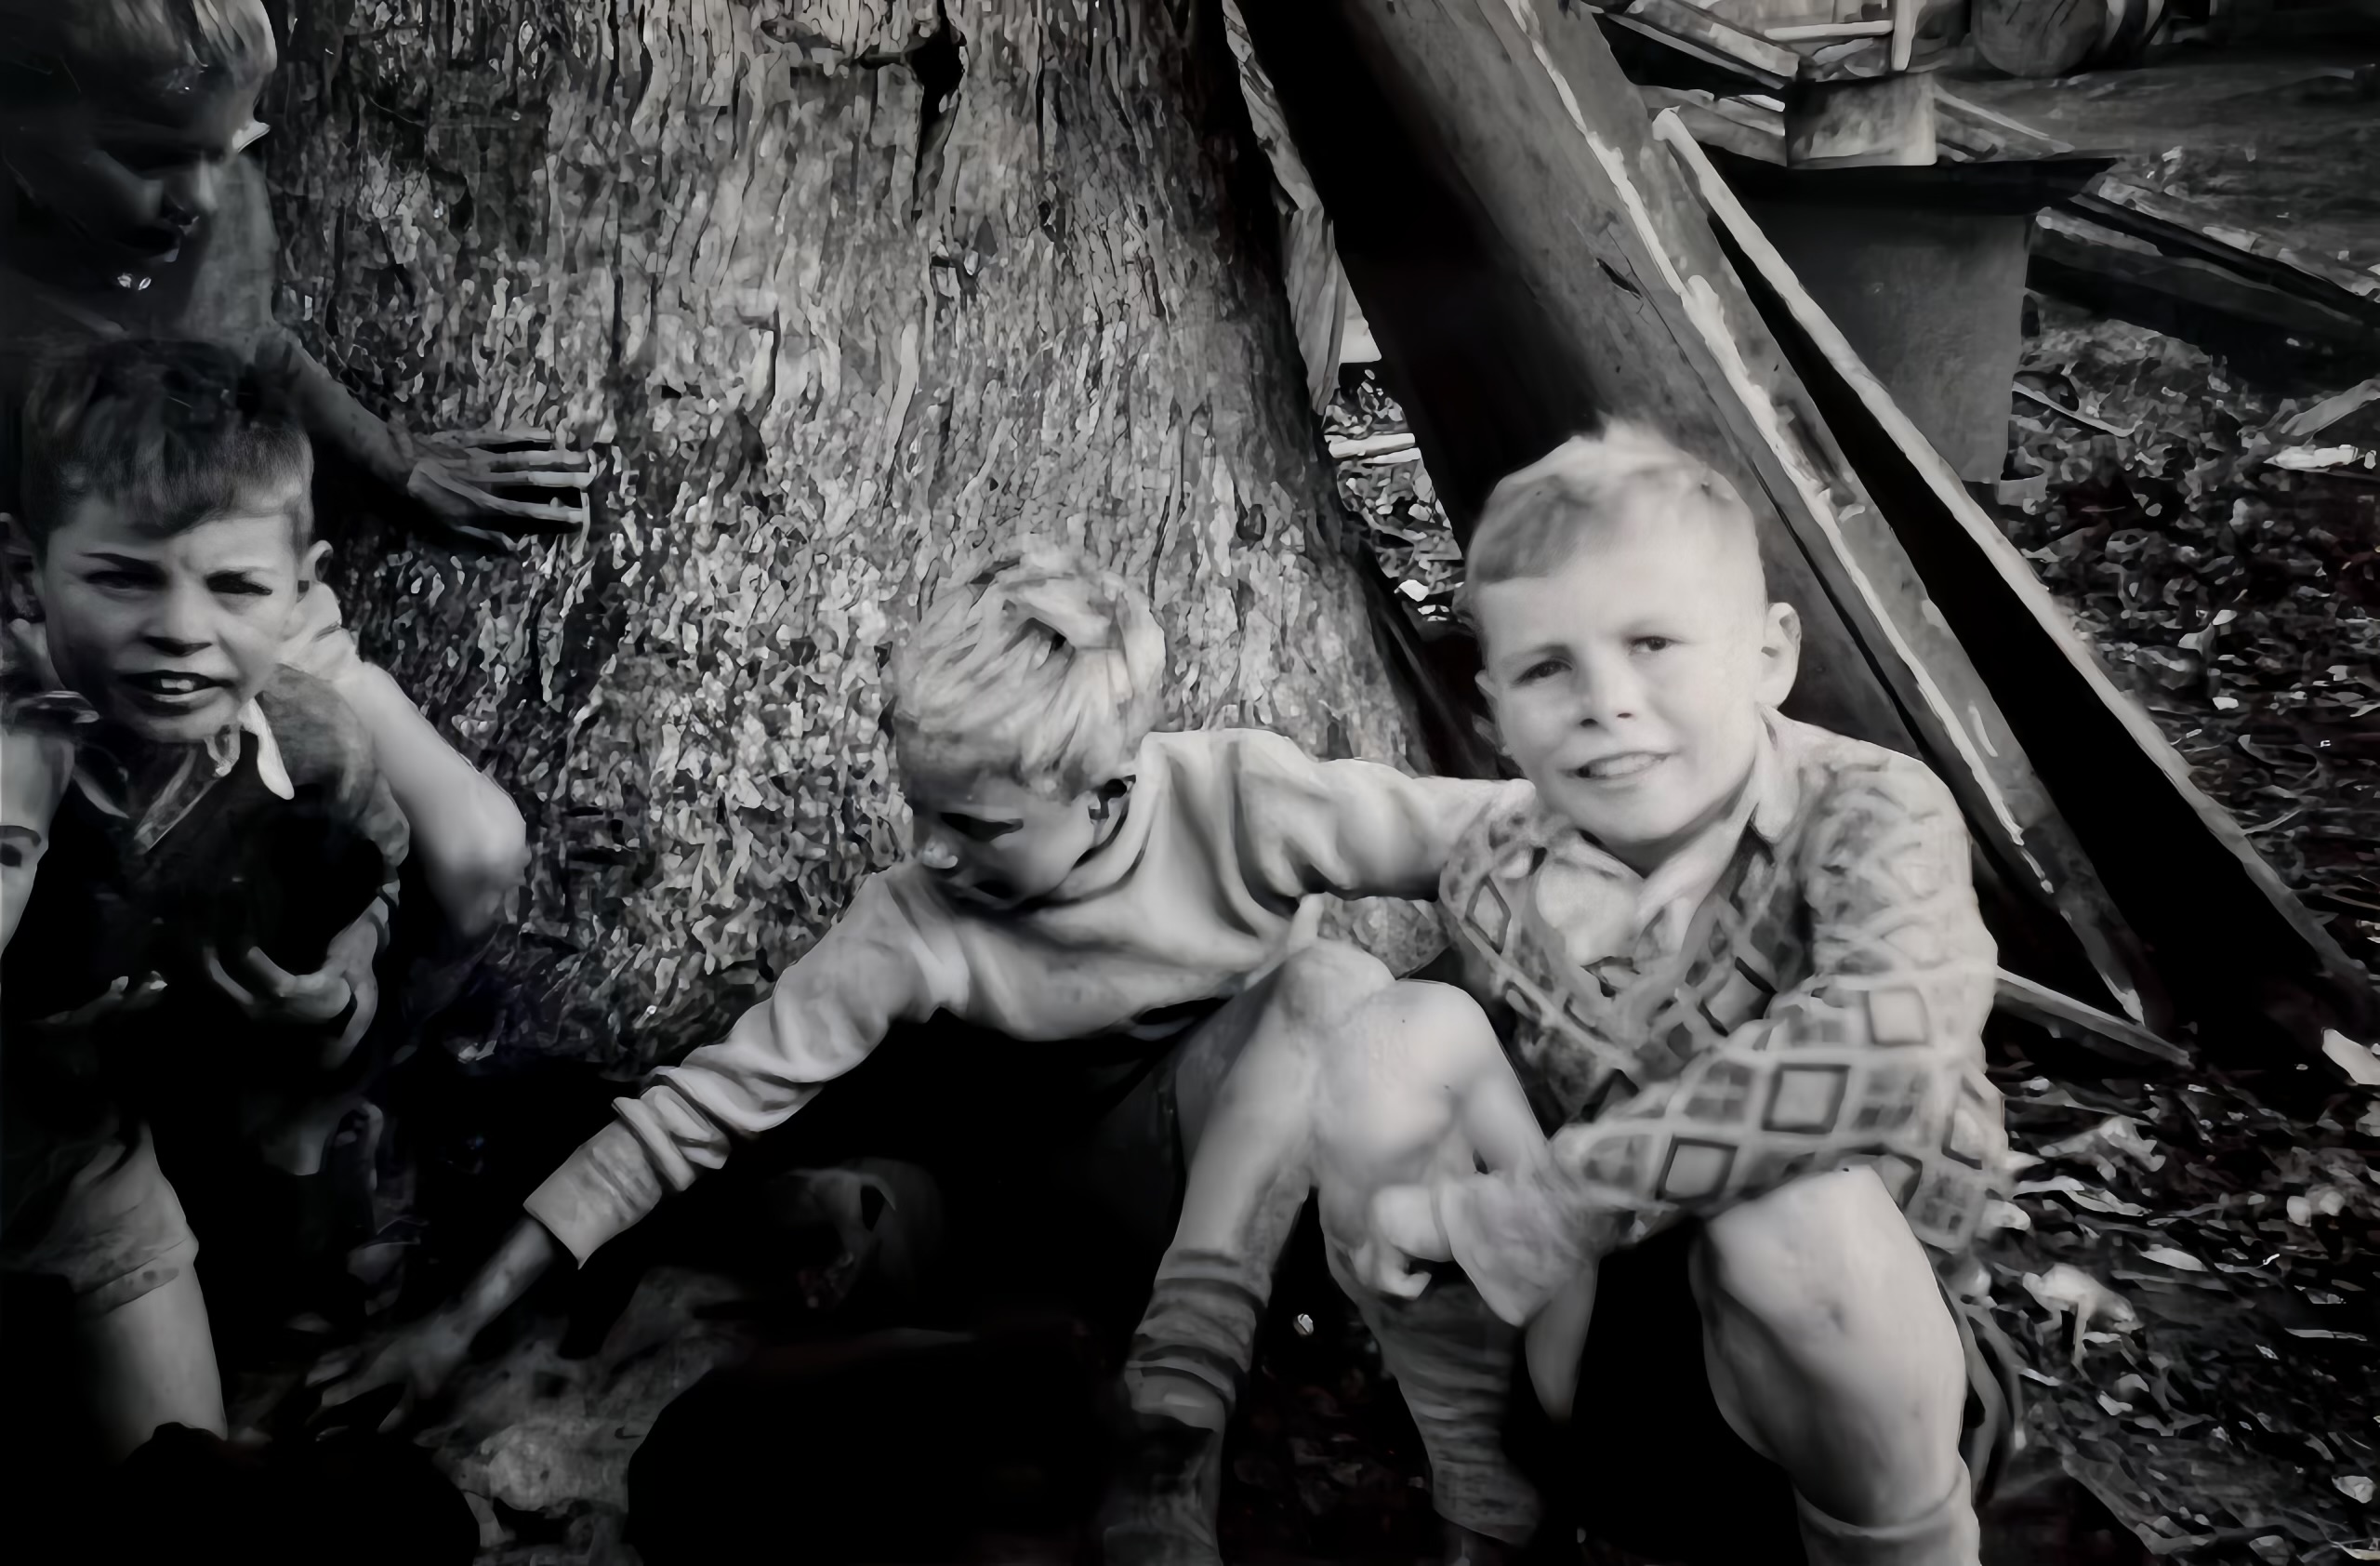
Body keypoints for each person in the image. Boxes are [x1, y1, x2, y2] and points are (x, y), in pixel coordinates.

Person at [317, 541, 1542, 1559]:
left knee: (1340, 986)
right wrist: (456, 1322)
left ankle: (1187, 1419)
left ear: (1107, 793)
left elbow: (1503, 829)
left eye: (978, 823)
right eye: (919, 807)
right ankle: (1145, 1433)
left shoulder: (1247, 803)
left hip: (1244, 1203)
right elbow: (690, 1113)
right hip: (1039, 1234)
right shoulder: (911, 921)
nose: (934, 849)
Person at [1112, 423, 2014, 1566]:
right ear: (1493, 707)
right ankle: (1485, 1498)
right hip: (1606, 1343)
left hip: (1868, 1364)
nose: (1606, 701)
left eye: (1654, 643)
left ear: (1769, 654)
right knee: (1391, 1035)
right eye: (1549, 668)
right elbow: (1447, 1075)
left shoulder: (1873, 809)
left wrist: (1535, 1211)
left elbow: (1885, 1045)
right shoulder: (1497, 868)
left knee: (1790, 1210)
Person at [0, 0, 538, 962]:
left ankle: (333, 1087)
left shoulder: (209, 209)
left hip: (250, 610)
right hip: (54, 633)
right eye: (150, 155)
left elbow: (252, 338)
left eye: (235, 145)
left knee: (479, 850)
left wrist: (391, 459)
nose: (205, 196)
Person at [0, 337, 406, 1465]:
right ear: (29, 576)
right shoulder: (9, 733)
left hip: (86, 1158)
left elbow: (380, 874)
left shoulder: (311, 747)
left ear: (302, 587)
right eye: (124, 575)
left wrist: (336, 988)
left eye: (235, 585)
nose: (182, 628)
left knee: (187, 1467)